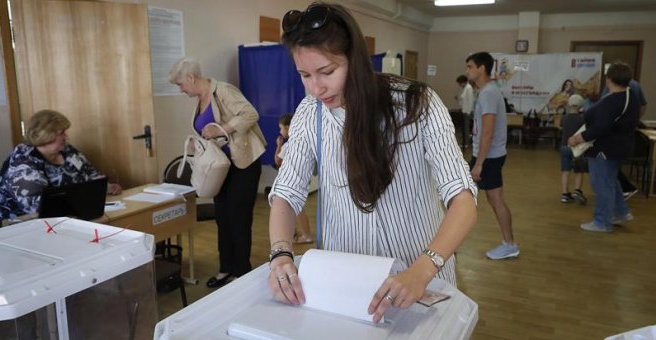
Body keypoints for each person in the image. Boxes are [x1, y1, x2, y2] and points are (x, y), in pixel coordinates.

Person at [267, 2, 477, 324]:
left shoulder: (415, 105)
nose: (316, 87)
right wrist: (280, 255)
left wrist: (422, 270)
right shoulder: (311, 113)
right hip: (346, 283)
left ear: (356, 60)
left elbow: (462, 199)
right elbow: (286, 193)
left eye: (327, 72)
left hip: (419, 276)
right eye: (304, 75)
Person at [169, 57, 267, 287]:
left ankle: (242, 272)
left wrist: (222, 129)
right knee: (222, 217)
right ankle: (226, 269)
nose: (181, 89)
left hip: (243, 164)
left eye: (180, 84)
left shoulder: (223, 90)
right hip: (220, 166)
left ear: (191, 78)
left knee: (239, 218)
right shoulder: (201, 99)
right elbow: (208, 131)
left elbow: (250, 114)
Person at [0, 110, 122, 224]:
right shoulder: (23, 163)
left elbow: (91, 174)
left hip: (68, 216)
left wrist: (106, 186)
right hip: (18, 224)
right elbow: (37, 207)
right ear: (46, 135)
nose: (66, 137)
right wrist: (82, 197)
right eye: (61, 133)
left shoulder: (66, 150)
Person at [568, 61, 640, 232]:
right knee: (611, 182)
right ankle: (620, 213)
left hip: (605, 149)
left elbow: (601, 127)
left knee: (601, 185)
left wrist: (578, 138)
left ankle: (602, 222)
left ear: (609, 79)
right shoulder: (630, 96)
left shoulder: (613, 100)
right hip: (619, 147)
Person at [465, 51, 519, 260]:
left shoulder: (488, 93)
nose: (467, 71)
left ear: (481, 68)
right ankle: (509, 243)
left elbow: (488, 131)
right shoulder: (488, 91)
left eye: (470, 67)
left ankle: (510, 244)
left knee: (492, 199)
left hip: (488, 157)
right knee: (468, 196)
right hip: (488, 155)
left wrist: (479, 164)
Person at [601, 77, 648, 200]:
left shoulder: (621, 88)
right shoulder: (634, 86)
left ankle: (625, 188)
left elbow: (603, 107)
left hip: (615, 132)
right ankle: (621, 190)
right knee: (610, 163)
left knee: (608, 162)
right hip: (621, 132)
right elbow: (643, 106)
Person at [274, 114, 312, 244]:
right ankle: (296, 232)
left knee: (298, 209)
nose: (280, 131)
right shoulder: (300, 141)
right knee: (296, 208)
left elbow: (277, 161)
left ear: (288, 127)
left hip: (293, 181)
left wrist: (278, 145)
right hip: (300, 180)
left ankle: (306, 235)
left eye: (281, 128)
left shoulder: (289, 145)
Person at [559, 94, 588, 204]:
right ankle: (577, 191)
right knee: (579, 171)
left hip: (564, 146)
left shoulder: (564, 118)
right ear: (581, 104)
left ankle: (565, 194)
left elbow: (561, 128)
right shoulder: (583, 118)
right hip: (578, 149)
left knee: (565, 171)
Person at [456, 74, 475, 149]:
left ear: (463, 82)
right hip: (463, 110)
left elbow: (470, 101)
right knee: (464, 128)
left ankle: (466, 143)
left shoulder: (469, 88)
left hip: (467, 111)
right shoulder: (465, 88)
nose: (459, 85)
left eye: (460, 83)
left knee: (466, 128)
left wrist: (468, 112)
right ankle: (464, 142)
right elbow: (462, 98)